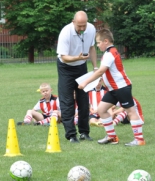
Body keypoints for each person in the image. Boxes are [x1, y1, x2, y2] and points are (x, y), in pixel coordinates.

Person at [78, 28, 145, 146]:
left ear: (106, 41)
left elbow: (100, 72)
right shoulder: (109, 52)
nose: (97, 45)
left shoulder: (109, 53)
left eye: (98, 43)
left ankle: (139, 140)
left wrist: (85, 83)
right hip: (113, 89)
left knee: (130, 111)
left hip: (121, 87)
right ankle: (112, 137)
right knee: (101, 110)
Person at [56, 10, 98, 143]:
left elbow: (91, 48)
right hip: (66, 67)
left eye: (84, 25)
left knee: (84, 101)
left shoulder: (91, 28)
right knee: (67, 101)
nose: (82, 28)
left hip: (81, 66)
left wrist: (95, 67)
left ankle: (84, 132)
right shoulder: (65, 32)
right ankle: (71, 135)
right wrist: (77, 57)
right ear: (73, 22)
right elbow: (64, 57)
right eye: (79, 26)